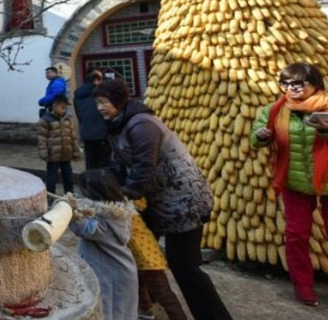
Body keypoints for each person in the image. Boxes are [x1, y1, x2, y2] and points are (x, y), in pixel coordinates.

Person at [94, 79, 232, 320]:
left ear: (118, 101)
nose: (100, 108)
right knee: (138, 251)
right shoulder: (118, 126)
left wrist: (124, 196)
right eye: (97, 103)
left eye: (103, 102)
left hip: (184, 202)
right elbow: (119, 165)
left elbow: (143, 169)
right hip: (157, 202)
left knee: (185, 266)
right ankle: (147, 305)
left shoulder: (142, 125)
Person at [252, 62, 328, 307]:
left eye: (298, 83)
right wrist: (260, 137)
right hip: (294, 181)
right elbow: (256, 137)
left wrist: (327, 130)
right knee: (296, 235)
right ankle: (303, 286)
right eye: (285, 83)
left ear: (314, 84)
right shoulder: (274, 110)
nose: (291, 88)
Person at [68, 169, 138, 320]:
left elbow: (84, 228)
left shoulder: (104, 221)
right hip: (120, 272)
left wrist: (70, 214)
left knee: (109, 313)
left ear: (93, 194)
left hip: (110, 277)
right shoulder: (117, 211)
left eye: (83, 191)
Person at [130, 198, 188, 320]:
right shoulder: (131, 203)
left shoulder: (118, 212)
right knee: (140, 282)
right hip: (148, 254)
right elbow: (142, 203)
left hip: (146, 259)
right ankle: (145, 309)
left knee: (164, 295)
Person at [37, 94, 81, 195]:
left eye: (65, 108)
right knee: (51, 178)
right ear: (54, 106)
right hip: (53, 156)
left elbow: (73, 137)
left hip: (66, 155)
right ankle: (51, 196)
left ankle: (70, 195)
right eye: (62, 107)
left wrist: (76, 151)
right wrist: (43, 152)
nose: (64, 110)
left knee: (68, 177)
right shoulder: (45, 120)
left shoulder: (67, 120)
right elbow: (42, 138)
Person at [74, 70, 111, 170]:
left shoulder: (78, 94)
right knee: (104, 164)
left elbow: (79, 114)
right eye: (100, 80)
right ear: (95, 81)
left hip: (86, 132)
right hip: (102, 133)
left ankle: (91, 183)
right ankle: (103, 184)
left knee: (90, 163)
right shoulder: (100, 93)